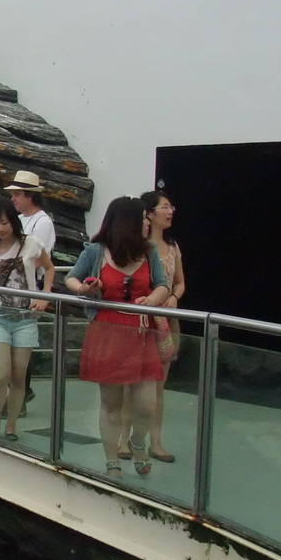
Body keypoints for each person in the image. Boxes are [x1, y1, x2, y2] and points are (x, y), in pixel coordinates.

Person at [65, 197, 169, 475]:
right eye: (143, 218)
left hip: (141, 332)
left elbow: (162, 285)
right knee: (111, 403)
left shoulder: (148, 252)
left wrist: (152, 300)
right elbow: (71, 277)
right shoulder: (97, 251)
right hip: (107, 331)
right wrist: (85, 289)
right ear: (128, 223)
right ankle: (112, 459)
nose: (147, 223)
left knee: (146, 403)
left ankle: (138, 441)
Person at [0, 194, 57, 442]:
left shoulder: (31, 243)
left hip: (26, 318)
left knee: (18, 375)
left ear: (13, 222)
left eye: (5, 223)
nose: (0, 228)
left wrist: (45, 295)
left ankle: (11, 425)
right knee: (2, 373)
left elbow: (49, 267)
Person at [139, 189, 186, 463]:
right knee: (132, 381)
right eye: (165, 207)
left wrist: (174, 297)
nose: (170, 212)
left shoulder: (172, 247)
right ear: (149, 213)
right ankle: (125, 438)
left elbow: (179, 281)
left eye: (171, 206)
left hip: (166, 321)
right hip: (140, 319)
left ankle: (155, 442)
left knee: (159, 383)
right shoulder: (138, 246)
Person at [5, 171, 55, 414]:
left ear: (30, 196)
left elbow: (36, 258)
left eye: (17, 194)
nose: (13, 199)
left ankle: (20, 395)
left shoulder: (42, 222)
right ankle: (19, 392)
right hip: (11, 287)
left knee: (21, 345)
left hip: (28, 287)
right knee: (10, 344)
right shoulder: (19, 220)